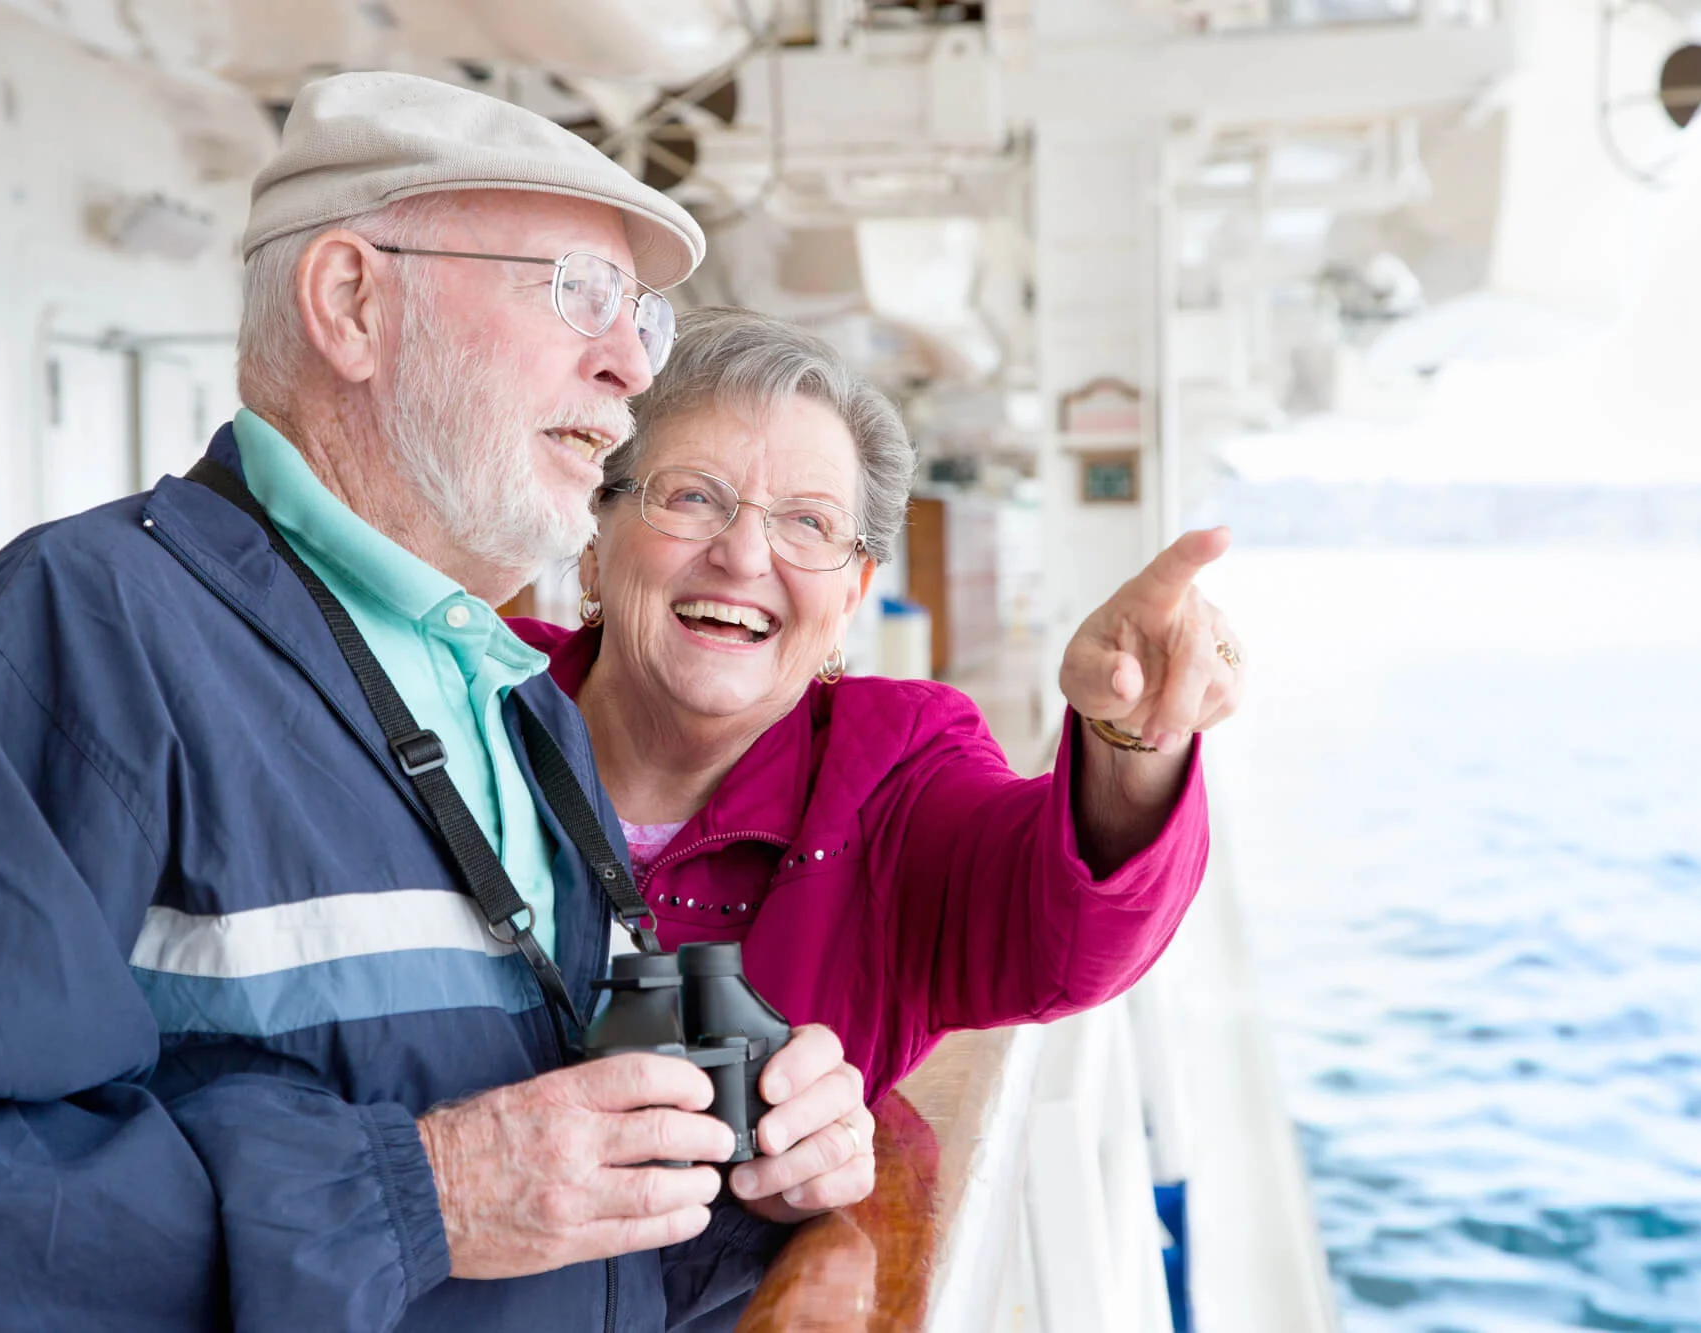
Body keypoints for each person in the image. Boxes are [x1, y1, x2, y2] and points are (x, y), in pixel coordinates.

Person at [0, 75, 861, 1333]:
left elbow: (550, 1229)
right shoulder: (76, 636)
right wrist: (423, 1194)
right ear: (352, 301)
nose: (626, 365)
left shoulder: (509, 701)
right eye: (576, 293)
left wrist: (749, 1180)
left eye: (641, 319)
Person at [514, 309, 1245, 1218]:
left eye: (808, 523)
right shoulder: (467, 704)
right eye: (693, 496)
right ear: (595, 539)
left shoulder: (894, 769)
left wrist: (1132, 737)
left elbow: (1060, 931)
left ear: (853, 594)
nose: (744, 555)